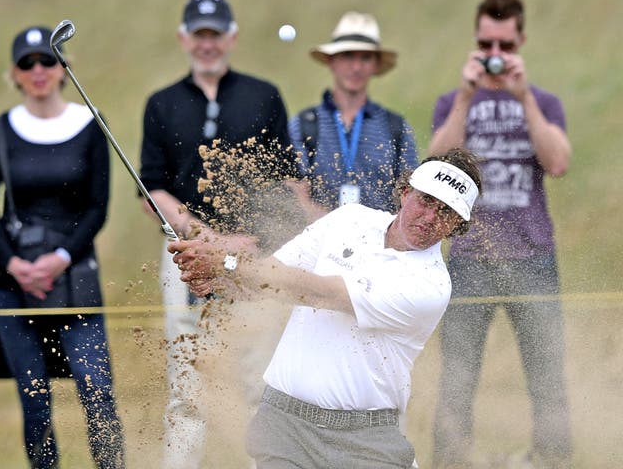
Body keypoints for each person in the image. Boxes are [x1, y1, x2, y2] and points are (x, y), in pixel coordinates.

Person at [169, 148, 483, 469]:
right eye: (426, 200)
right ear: (405, 193)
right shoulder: (349, 219)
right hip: (285, 424)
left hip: (366, 440)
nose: (430, 217)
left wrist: (227, 263)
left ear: (457, 224)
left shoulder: (429, 286)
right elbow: (267, 278)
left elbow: (320, 293)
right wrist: (217, 279)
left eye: (445, 212)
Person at [138, 0, 298, 467]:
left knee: (257, 378)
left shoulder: (263, 95)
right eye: (199, 34)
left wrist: (247, 241)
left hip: (251, 256)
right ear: (184, 38)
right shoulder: (161, 103)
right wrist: (201, 236)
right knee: (186, 381)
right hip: (184, 257)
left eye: (216, 34)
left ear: (231, 37)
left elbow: (284, 179)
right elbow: (153, 189)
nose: (207, 44)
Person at [428, 0, 572, 467]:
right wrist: (466, 96)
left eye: (504, 44)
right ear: (475, 41)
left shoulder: (543, 101)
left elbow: (558, 163)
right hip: (470, 257)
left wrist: (523, 95)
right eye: (485, 42)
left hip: (532, 256)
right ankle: (451, 461)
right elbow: (433, 168)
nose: (494, 52)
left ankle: (552, 460)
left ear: (520, 42)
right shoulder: (453, 101)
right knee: (457, 377)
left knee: (547, 374)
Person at [0, 26, 124, 468]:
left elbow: (98, 207)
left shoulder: (88, 123)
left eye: (47, 60)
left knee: (96, 391)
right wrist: (17, 266)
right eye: (27, 64)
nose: (38, 70)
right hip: (14, 283)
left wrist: (59, 260)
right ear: (15, 74)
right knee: (35, 400)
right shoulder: (1, 130)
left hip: (75, 276)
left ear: (64, 69)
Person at [288, 11, 418, 221]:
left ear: (375, 65)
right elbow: (296, 192)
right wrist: (334, 227)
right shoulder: (303, 125)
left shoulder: (396, 127)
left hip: (377, 246)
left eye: (365, 57)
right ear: (331, 61)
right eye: (348, 55)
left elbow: (410, 196)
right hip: (317, 242)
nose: (356, 67)